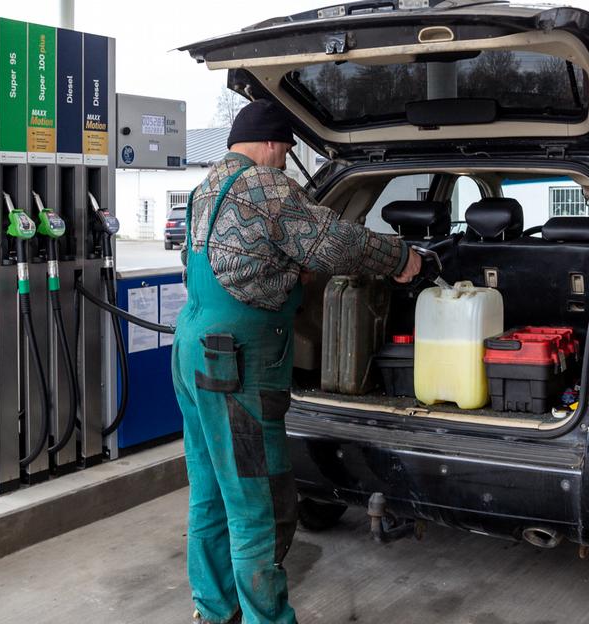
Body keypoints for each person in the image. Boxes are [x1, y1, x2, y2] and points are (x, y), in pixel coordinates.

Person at [172, 99, 422, 624]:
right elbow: (337, 243)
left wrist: (286, 273)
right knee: (257, 504)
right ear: (269, 143)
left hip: (192, 351)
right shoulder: (267, 186)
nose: (285, 162)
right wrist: (400, 257)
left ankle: (215, 610)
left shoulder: (205, 188)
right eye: (285, 151)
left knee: (210, 493)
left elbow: (230, 261)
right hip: (235, 364)